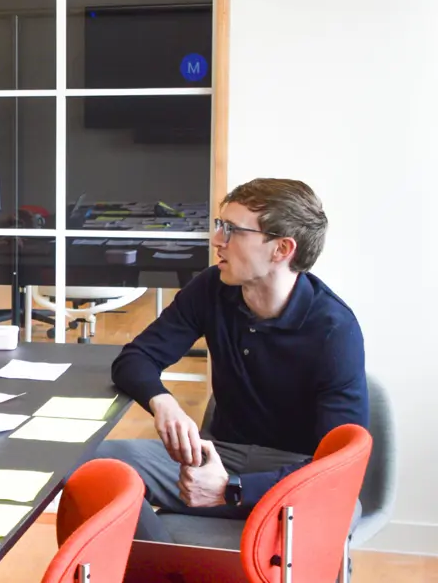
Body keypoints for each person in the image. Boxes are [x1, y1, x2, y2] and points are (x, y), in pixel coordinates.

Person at [96, 178, 368, 542]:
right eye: (219, 225)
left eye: (233, 230)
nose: (216, 240)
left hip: (293, 472)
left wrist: (233, 488)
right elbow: (135, 358)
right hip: (218, 456)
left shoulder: (335, 330)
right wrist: (164, 404)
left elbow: (339, 464)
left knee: (335, 511)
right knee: (94, 464)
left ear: (281, 249)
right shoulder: (212, 288)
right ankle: (164, 564)